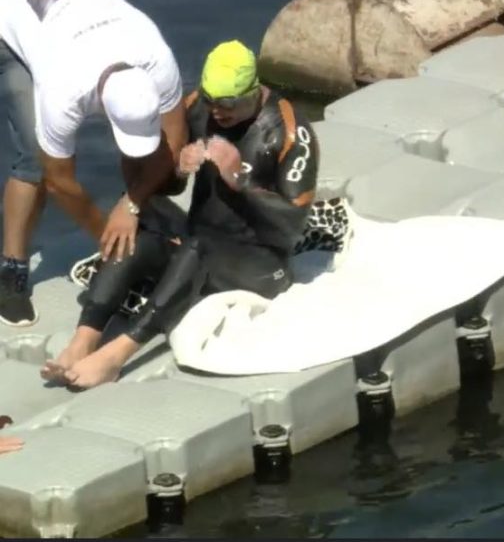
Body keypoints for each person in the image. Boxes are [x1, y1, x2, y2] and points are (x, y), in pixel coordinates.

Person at [41, 39, 319, 388]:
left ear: (254, 91)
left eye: (228, 104)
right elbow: (165, 184)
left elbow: (291, 225)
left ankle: (117, 355)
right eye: (211, 101)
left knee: (198, 249)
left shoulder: (290, 131)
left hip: (262, 264)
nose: (217, 112)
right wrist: (178, 171)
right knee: (135, 236)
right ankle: (83, 340)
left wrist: (239, 182)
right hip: (198, 240)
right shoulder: (197, 108)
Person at [0, 0, 188, 327]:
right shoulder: (63, 91)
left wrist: (130, 204)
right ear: (100, 105)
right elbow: (58, 180)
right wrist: (105, 237)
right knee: (33, 162)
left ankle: (139, 223)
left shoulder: (157, 59)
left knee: (158, 153)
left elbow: (175, 139)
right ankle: (12, 272)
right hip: (7, 17)